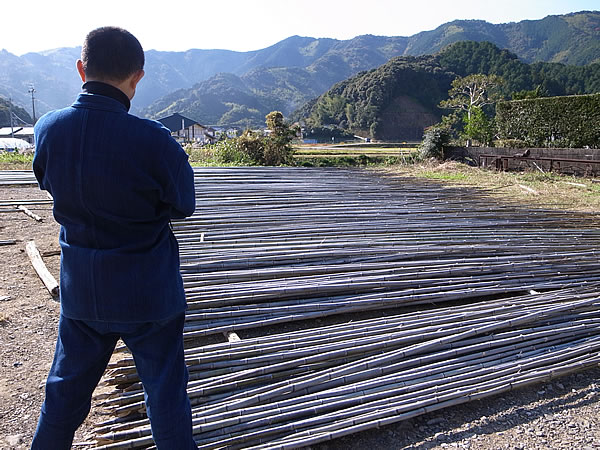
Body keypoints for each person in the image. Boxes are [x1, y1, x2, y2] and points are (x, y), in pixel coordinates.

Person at [31, 26, 197, 449]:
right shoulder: (154, 141)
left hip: (83, 293)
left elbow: (47, 181)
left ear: (81, 69)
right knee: (165, 399)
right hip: (149, 294)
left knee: (63, 398)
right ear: (137, 78)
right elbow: (182, 204)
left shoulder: (49, 129)